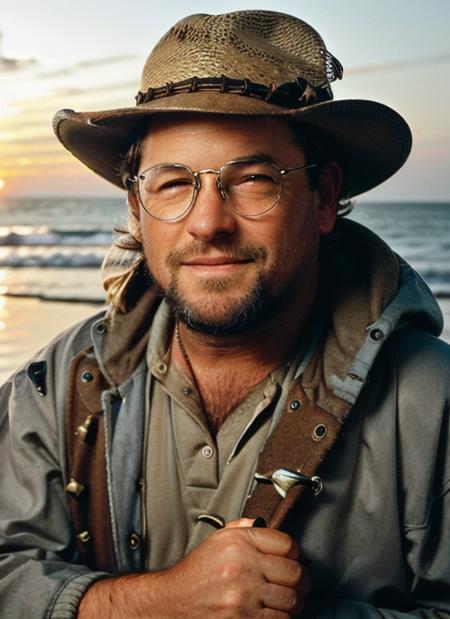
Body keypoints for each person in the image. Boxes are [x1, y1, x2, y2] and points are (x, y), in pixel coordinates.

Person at [1, 9, 449, 618]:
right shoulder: (56, 387)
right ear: (137, 208)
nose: (208, 222)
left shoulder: (432, 400)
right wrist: (159, 603)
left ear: (321, 198)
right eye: (173, 184)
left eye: (254, 179)